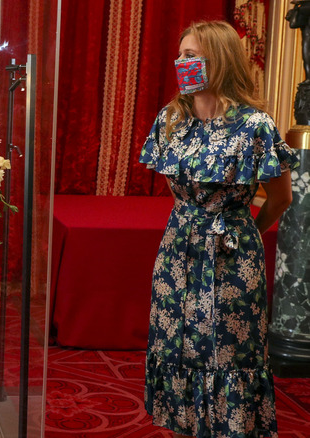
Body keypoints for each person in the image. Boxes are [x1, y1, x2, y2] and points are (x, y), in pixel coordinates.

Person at [139, 21, 297, 437]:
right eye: (181, 55)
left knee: (226, 353)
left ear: (219, 60)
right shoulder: (173, 118)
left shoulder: (255, 126)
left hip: (231, 254)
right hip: (177, 250)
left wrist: (246, 235)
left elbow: (281, 198)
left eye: (191, 56)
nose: (181, 63)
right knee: (177, 345)